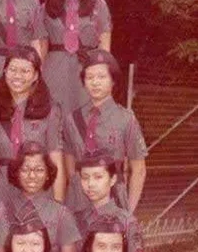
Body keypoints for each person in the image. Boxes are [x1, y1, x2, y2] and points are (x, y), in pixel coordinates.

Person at [63, 49, 147, 213]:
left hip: (113, 199)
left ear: (113, 80)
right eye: (90, 77)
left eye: (101, 77)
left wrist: (128, 213)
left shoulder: (126, 120)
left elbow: (139, 169)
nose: (95, 82)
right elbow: (70, 165)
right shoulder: (71, 120)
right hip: (79, 203)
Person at [40, 0, 113, 121]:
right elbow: (41, 49)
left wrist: (103, 80)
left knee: (86, 122)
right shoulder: (46, 7)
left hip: (86, 72)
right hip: (54, 71)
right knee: (55, 123)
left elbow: (105, 47)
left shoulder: (99, 5)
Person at [0, 45, 65, 202]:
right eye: (13, 70)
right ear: (5, 71)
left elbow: (56, 160)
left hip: (36, 186)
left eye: (25, 71)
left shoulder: (50, 110)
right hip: (2, 189)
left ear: (36, 75)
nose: (18, 76)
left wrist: (57, 204)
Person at [73, 149, 150, 252]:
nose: (90, 184)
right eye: (85, 177)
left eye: (98, 177)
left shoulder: (127, 222)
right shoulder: (77, 219)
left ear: (113, 179)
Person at [5, 142, 80, 252]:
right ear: (16, 173)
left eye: (39, 170)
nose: (32, 176)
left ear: (48, 174)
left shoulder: (61, 214)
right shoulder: (3, 210)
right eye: (25, 169)